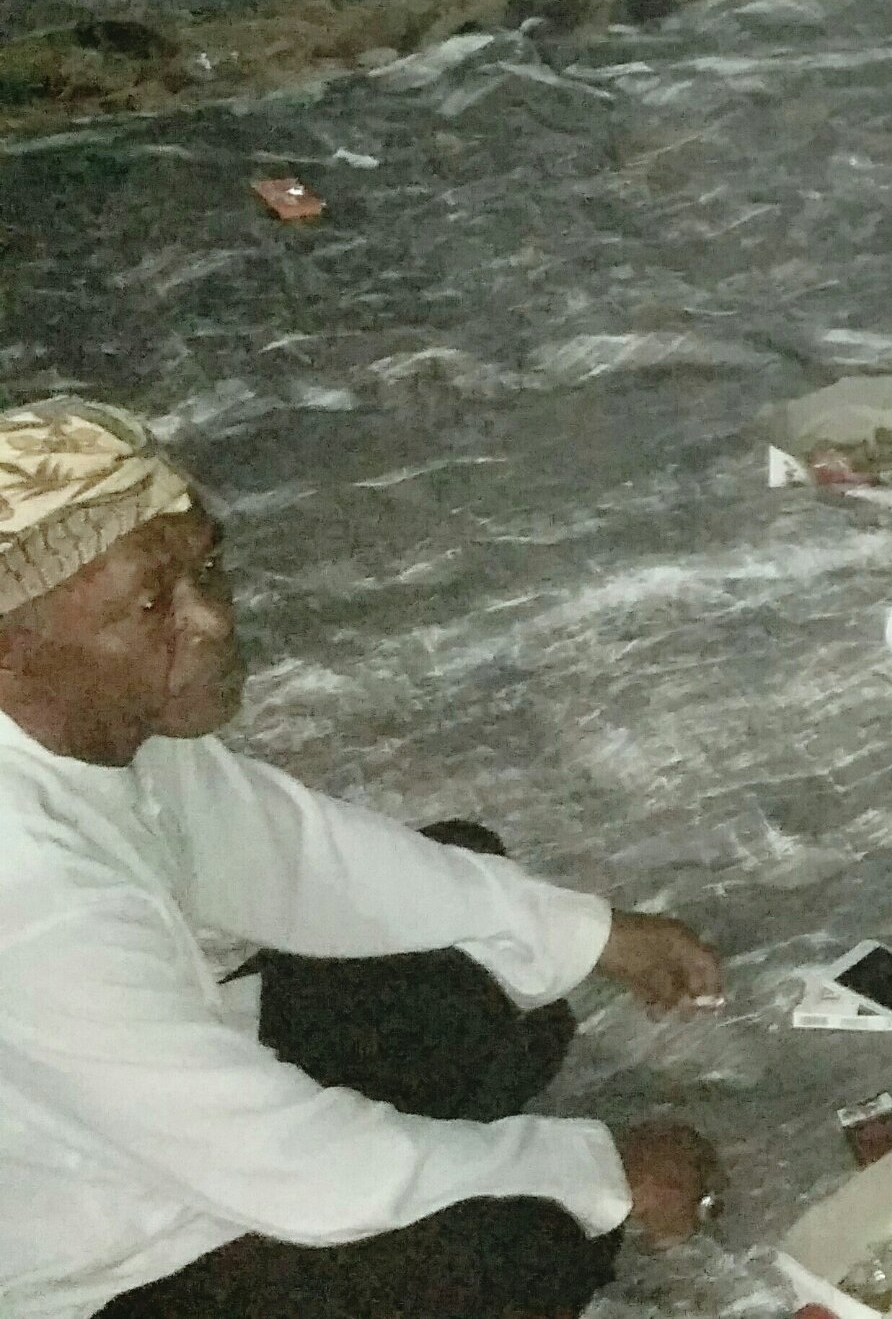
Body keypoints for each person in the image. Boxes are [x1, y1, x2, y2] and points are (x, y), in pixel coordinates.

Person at [0, 397, 726, 1319]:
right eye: (154, 606)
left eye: (207, 569)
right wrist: (598, 1171)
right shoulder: (33, 896)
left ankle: (452, 1151)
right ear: (11, 652)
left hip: (167, 1128)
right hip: (100, 1265)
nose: (212, 620)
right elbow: (294, 1169)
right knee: (511, 1250)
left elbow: (288, 854)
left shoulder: (87, 721)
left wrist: (585, 933)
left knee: (472, 933)